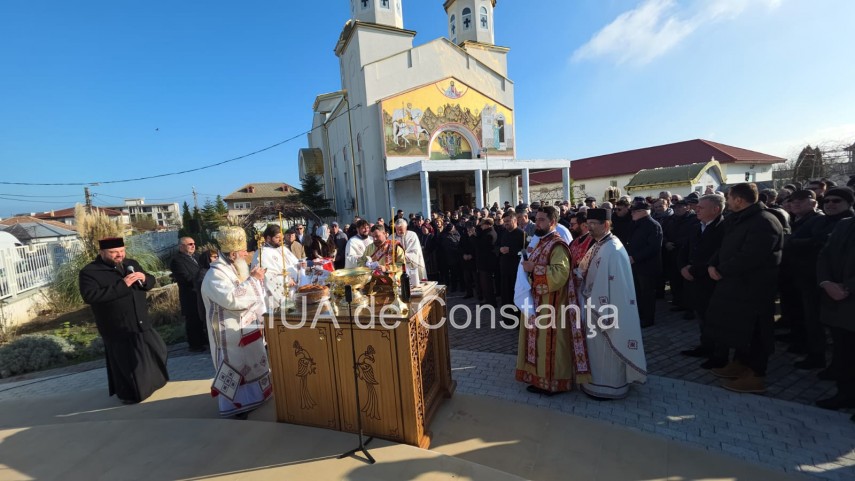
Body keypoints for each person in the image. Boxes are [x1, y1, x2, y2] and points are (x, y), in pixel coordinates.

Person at [706, 183, 784, 394]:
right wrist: (713, 263)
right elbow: (724, 247)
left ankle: (756, 374)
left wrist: (721, 269)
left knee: (756, 331)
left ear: (739, 200)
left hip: (753, 289)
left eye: (729, 198)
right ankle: (740, 363)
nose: (727, 202)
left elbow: (751, 256)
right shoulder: (739, 219)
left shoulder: (764, 221)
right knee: (738, 329)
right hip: (735, 287)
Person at [79, 237, 169, 404]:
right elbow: (90, 296)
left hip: (140, 320)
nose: (119, 255)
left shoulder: (131, 263)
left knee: (158, 350)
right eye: (114, 252)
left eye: (122, 251)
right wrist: (123, 284)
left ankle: (153, 384)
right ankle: (130, 394)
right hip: (117, 325)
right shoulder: (90, 272)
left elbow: (149, 282)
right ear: (102, 253)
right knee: (127, 364)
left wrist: (144, 278)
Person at [514, 206, 590, 395]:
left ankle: (553, 383)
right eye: (537, 219)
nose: (537, 222)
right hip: (537, 301)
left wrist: (534, 269)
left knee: (551, 345)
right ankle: (538, 379)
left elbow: (560, 274)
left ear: (552, 222)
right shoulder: (541, 242)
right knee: (536, 342)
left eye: (541, 220)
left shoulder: (558, 245)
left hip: (552, 304)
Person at [201, 226, 272, 418]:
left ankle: (256, 397)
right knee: (237, 366)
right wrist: (253, 280)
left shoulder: (236, 267)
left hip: (246, 328)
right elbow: (232, 299)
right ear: (232, 254)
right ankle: (235, 406)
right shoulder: (216, 274)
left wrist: (254, 280)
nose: (246, 254)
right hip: (229, 334)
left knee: (254, 361)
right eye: (242, 252)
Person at [577, 208, 647, 399]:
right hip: (593, 304)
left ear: (606, 225)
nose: (589, 228)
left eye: (593, 224)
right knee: (597, 351)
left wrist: (595, 303)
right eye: (587, 223)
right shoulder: (599, 244)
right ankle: (595, 383)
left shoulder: (613, 249)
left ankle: (608, 388)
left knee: (607, 349)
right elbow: (585, 268)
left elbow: (615, 284)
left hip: (605, 309)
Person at [678, 194, 726, 367]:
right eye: (696, 207)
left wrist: (693, 269)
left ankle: (719, 355)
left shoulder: (725, 228)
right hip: (694, 279)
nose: (696, 209)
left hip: (711, 281)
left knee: (716, 319)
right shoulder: (695, 226)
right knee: (701, 315)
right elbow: (685, 249)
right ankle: (706, 346)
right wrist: (683, 266)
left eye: (701, 207)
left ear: (716, 209)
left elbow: (719, 255)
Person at [815, 216, 855, 410]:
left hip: (848, 293)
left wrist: (847, 287)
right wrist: (826, 282)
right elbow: (825, 255)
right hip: (838, 300)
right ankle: (845, 395)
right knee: (843, 352)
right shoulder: (845, 224)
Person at [626, 200, 663, 327]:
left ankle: (648, 319)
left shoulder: (653, 225)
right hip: (635, 265)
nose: (632, 213)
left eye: (634, 211)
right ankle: (639, 315)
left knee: (647, 293)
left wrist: (635, 258)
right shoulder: (635, 224)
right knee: (637, 292)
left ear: (643, 212)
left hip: (647, 267)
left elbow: (653, 247)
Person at [170, 236, 207, 352]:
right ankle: (195, 345)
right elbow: (184, 278)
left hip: (200, 292)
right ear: (181, 247)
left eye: (194, 243)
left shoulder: (197, 257)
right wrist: (202, 279)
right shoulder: (177, 260)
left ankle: (203, 340)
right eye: (189, 244)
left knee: (201, 318)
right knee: (193, 320)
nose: (193, 246)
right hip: (190, 294)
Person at [251, 224, 299, 312]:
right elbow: (267, 276)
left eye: (282, 237)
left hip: (295, 289)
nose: (281, 240)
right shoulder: (261, 254)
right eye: (277, 237)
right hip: (280, 297)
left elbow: (295, 263)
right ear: (268, 238)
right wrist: (287, 280)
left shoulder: (282, 248)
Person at [498, 211, 525, 309]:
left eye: (508, 221)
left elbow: (525, 252)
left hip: (516, 270)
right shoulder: (503, 233)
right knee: (505, 294)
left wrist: (511, 250)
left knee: (515, 295)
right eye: (504, 221)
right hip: (505, 269)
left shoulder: (521, 234)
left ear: (514, 220)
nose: (506, 223)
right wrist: (500, 249)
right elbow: (498, 246)